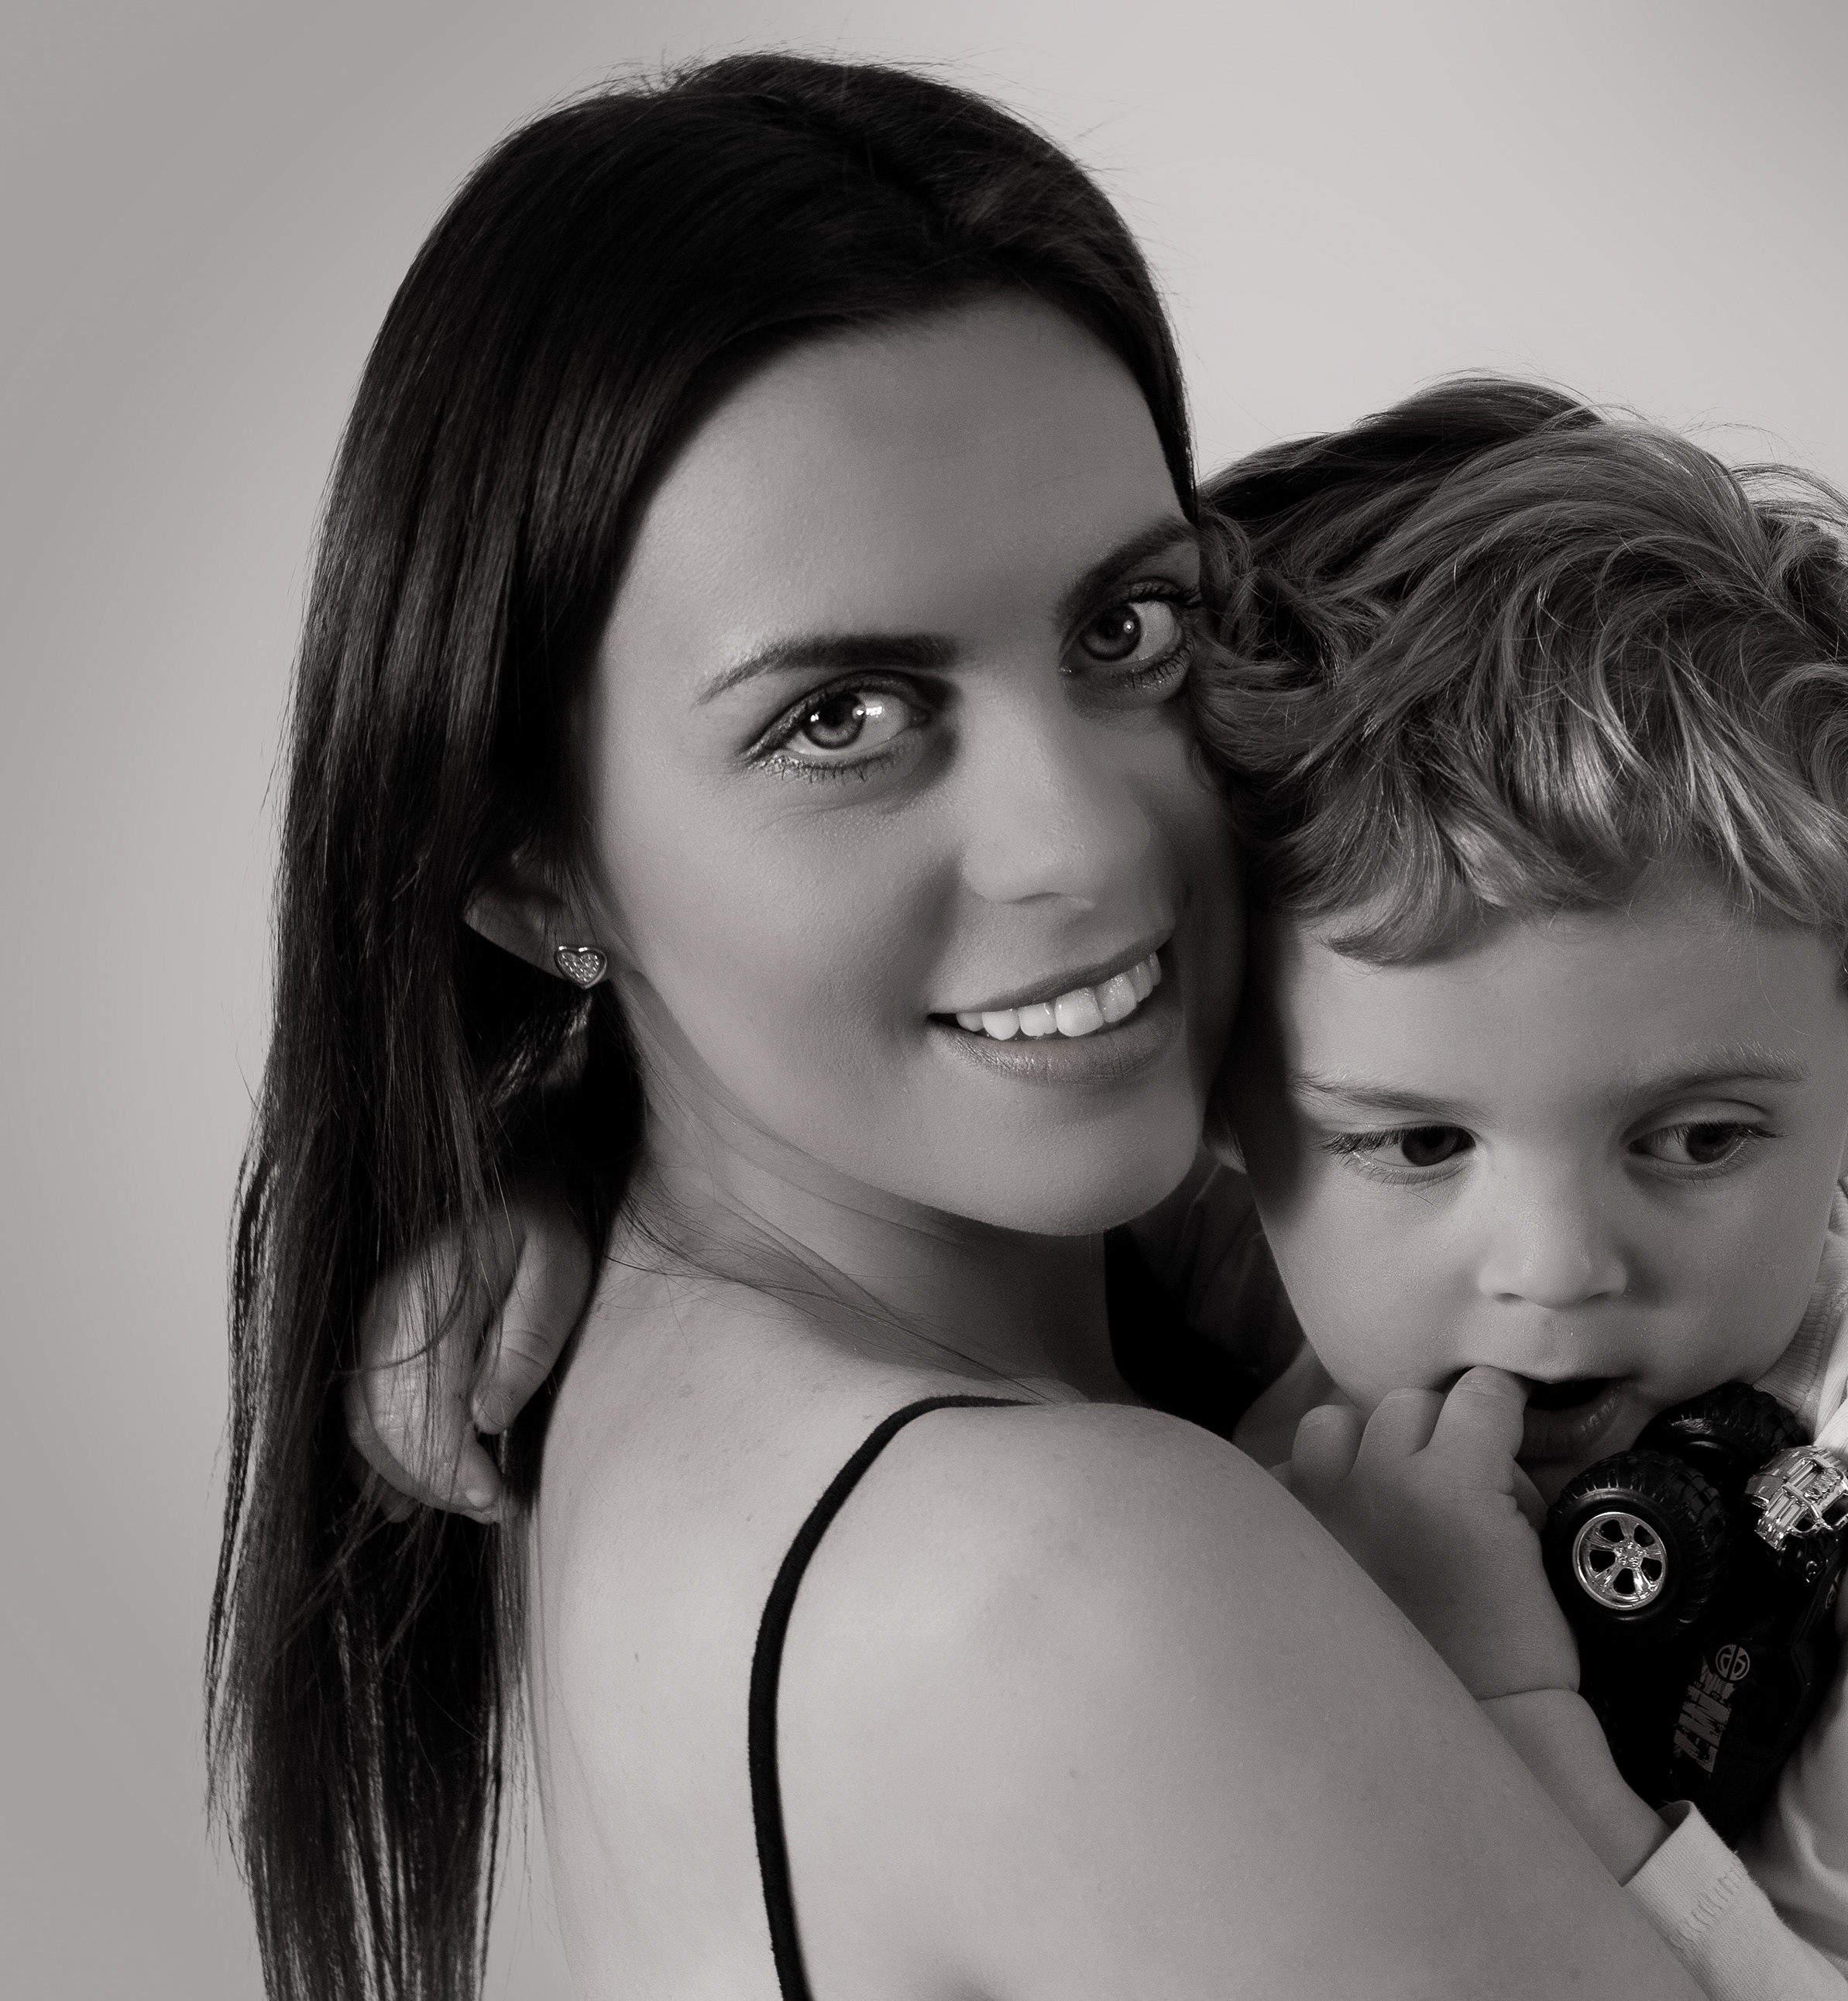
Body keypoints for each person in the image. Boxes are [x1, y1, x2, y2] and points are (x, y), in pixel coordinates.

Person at [378, 379, 1848, 1997]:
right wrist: (547, 1191)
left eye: (1695, 1138)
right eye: (1418, 1144)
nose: (1552, 1267)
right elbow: (933, 1165)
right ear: (1233, 1100)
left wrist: (1509, 1695)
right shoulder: (1272, 1212)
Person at [211, 55, 1715, 2001]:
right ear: (531, 871)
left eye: (1127, 630)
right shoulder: (1075, 1576)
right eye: (840, 719)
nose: (1085, 840)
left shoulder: (632, 1366)